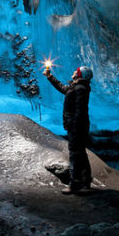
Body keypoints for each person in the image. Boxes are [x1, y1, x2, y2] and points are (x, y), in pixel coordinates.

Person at [43, 65, 93, 194]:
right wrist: (50, 77)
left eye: (76, 72)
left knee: (76, 154)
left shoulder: (80, 88)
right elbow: (63, 89)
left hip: (77, 126)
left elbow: (80, 110)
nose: (73, 72)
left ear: (80, 75)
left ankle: (76, 184)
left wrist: (74, 126)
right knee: (79, 153)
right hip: (77, 125)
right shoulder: (77, 87)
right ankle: (83, 182)